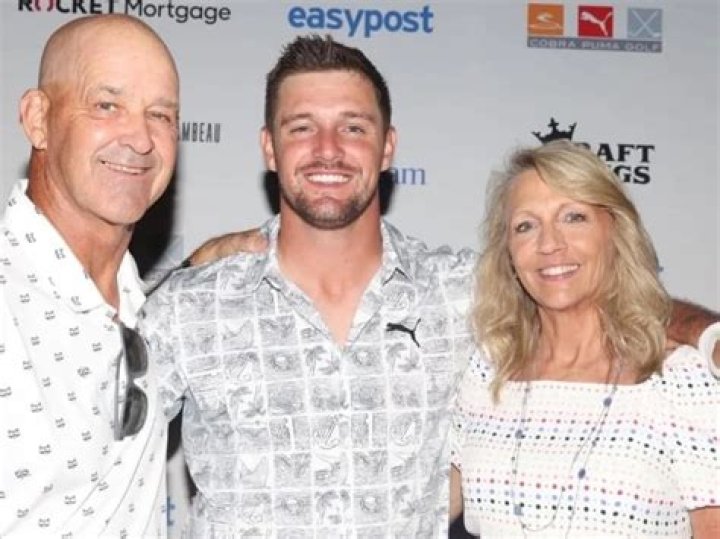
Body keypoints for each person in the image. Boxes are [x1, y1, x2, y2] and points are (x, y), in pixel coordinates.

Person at [140, 34, 477, 537]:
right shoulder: (193, 305)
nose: (328, 150)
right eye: (302, 128)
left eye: (353, 127)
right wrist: (187, 267)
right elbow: (93, 441)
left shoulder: (463, 295)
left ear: (388, 147)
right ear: (269, 148)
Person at [448, 141, 719, 537]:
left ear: (615, 232)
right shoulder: (488, 371)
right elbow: (422, 508)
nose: (549, 244)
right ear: (508, 253)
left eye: (573, 217)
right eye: (525, 226)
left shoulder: (680, 379)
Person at [0, 14, 179, 536]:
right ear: (38, 118)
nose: (140, 139)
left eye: (161, 115)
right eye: (107, 105)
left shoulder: (145, 307)